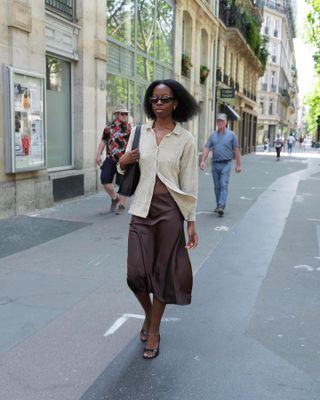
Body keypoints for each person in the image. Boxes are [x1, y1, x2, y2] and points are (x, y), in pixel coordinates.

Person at [118, 79, 199, 360]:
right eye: (154, 99)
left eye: (165, 99)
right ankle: (150, 314)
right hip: (142, 208)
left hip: (169, 211)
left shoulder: (185, 139)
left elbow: (189, 183)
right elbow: (123, 166)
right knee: (135, 274)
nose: (159, 104)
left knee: (163, 274)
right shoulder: (139, 132)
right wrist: (122, 161)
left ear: (176, 102)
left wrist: (190, 222)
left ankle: (153, 330)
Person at [200, 113, 241, 217]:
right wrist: (203, 161)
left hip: (226, 164)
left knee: (223, 184)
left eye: (222, 121)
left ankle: (221, 206)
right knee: (217, 186)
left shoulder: (231, 135)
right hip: (215, 164)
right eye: (218, 121)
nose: (220, 122)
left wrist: (238, 165)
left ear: (226, 122)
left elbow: (236, 150)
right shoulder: (213, 135)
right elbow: (207, 148)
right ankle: (219, 204)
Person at [96, 105, 132, 214]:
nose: (125, 115)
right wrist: (98, 155)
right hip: (110, 158)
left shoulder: (130, 128)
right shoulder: (108, 128)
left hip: (124, 160)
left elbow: (134, 142)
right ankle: (114, 198)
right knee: (104, 179)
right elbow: (103, 141)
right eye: (122, 113)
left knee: (123, 183)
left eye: (126, 114)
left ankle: (121, 205)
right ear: (115, 114)